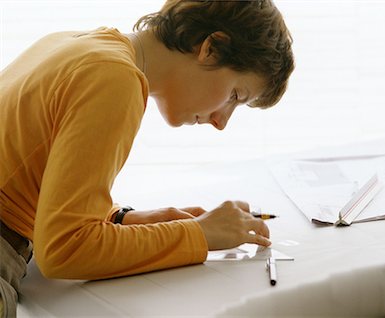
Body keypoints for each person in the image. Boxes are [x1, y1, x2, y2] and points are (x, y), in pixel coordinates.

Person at [0, 0, 294, 316]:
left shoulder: (74, 43)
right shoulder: (114, 79)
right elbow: (64, 250)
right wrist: (200, 235)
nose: (221, 122)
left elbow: (25, 177)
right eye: (235, 95)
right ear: (211, 47)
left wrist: (119, 219)